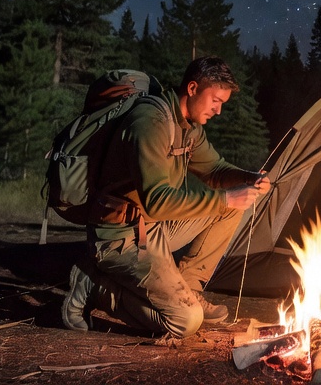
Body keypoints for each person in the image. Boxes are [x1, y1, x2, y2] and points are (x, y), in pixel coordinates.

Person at [61, 55, 271, 339]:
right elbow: (157, 201)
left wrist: (248, 177)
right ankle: (93, 286)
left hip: (153, 227)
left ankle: (189, 288)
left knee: (234, 206)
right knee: (185, 322)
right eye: (215, 101)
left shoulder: (188, 127)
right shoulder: (150, 122)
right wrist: (225, 198)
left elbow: (215, 170)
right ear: (193, 88)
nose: (218, 111)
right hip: (120, 238)